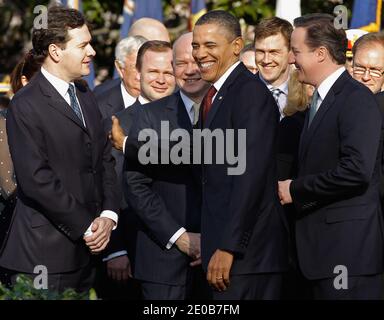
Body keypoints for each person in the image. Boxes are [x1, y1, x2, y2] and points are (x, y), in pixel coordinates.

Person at [0, 6, 119, 293]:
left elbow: (103, 159)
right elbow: (36, 179)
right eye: (83, 45)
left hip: (89, 252)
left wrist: (109, 215)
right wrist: (87, 226)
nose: (91, 51)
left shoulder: (84, 93)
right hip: (44, 259)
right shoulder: (25, 104)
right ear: (55, 51)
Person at [278, 14, 384, 299]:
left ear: (320, 53)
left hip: (346, 257)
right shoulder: (324, 99)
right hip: (318, 255)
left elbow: (356, 170)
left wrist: (296, 188)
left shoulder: (355, 98)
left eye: (296, 51)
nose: (290, 59)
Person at [191, 10, 288, 299]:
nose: (199, 54)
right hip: (226, 252)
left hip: (247, 258)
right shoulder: (217, 94)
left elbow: (250, 176)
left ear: (236, 46)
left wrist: (228, 246)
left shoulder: (248, 94)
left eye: (210, 45)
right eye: (196, 45)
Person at [111, 38, 205, 299]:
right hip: (162, 257)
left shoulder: (219, 109)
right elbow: (131, 186)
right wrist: (181, 238)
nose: (189, 70)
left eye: (195, 62)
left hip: (214, 255)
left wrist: (216, 239)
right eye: (182, 63)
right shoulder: (144, 116)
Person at [95, 35, 146, 300]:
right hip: (117, 241)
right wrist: (114, 248)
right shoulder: (97, 105)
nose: (143, 74)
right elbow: (101, 179)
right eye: (136, 67)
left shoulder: (171, 98)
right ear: (119, 67)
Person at [254, 17, 293, 120]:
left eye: (274, 52)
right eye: (260, 52)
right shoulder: (239, 92)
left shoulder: (308, 93)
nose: (266, 60)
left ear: (291, 52)